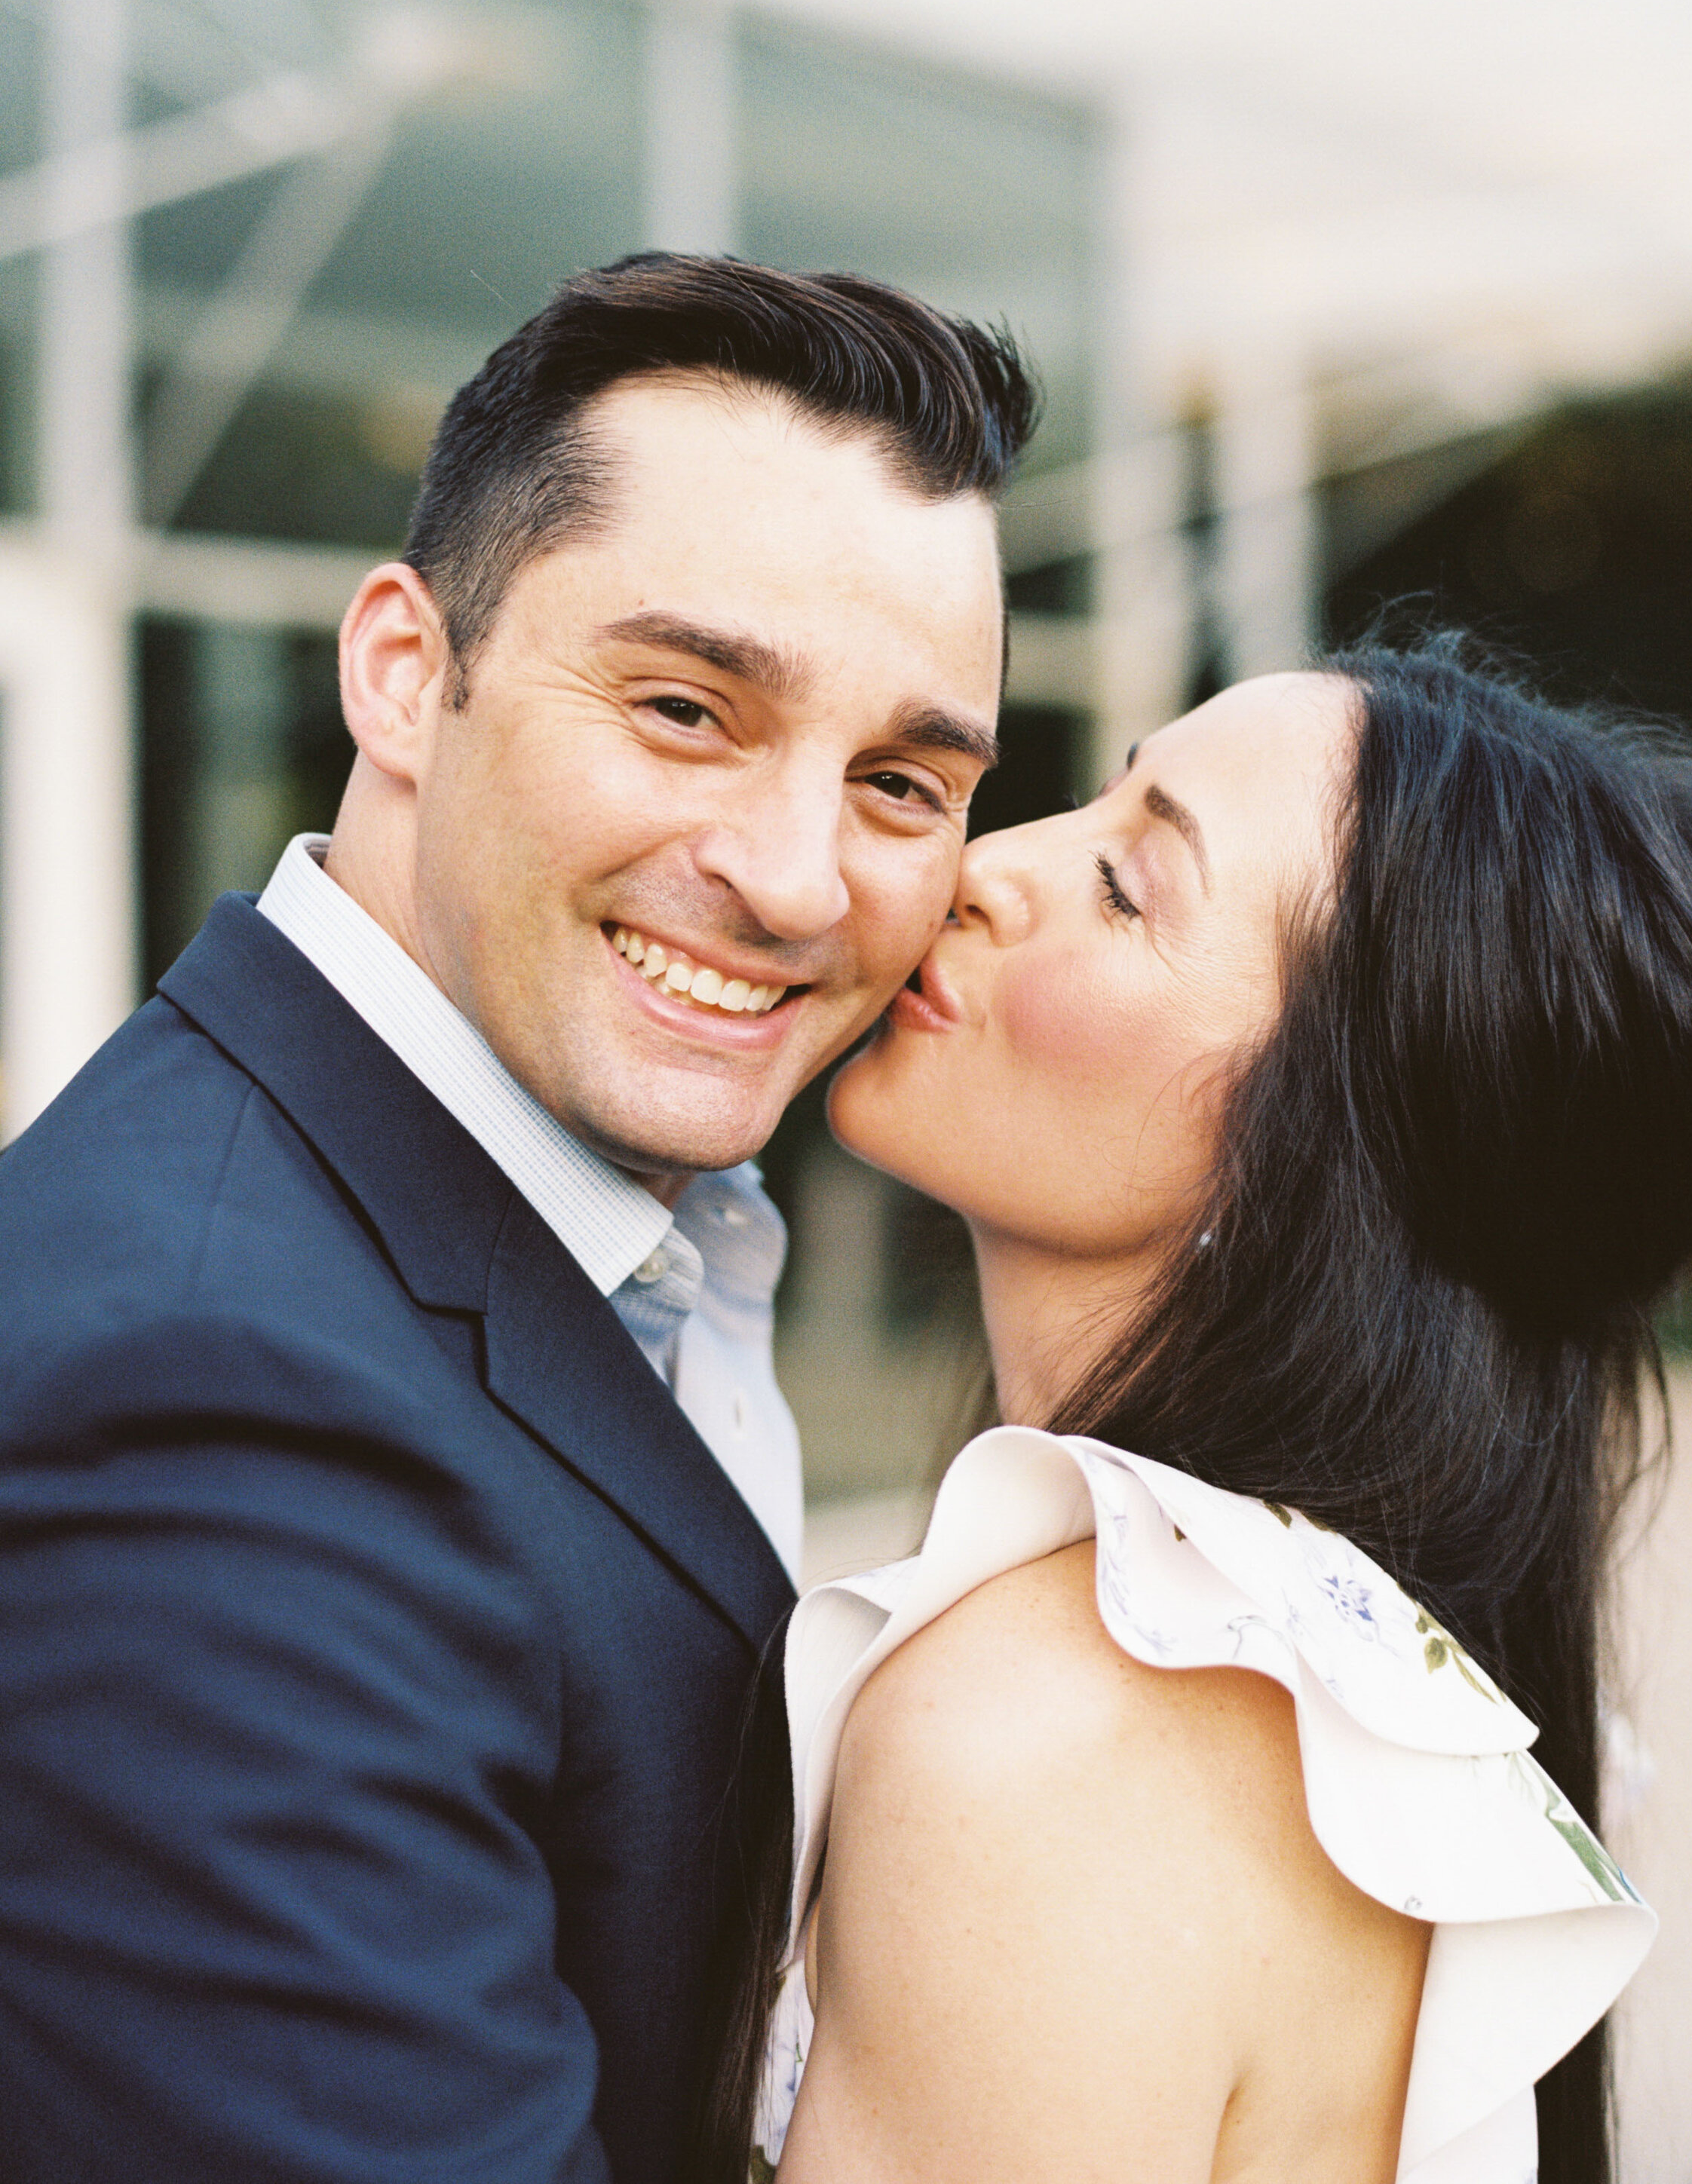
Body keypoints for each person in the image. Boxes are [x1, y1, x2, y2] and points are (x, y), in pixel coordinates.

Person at [0, 254, 1029, 2183]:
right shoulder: (212, 1393)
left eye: (902, 780)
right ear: (406, 669)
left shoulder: (614, 1226)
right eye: (683, 705)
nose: (800, 879)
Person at [720, 644, 1692, 2184]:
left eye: (1127, 881)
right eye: (1095, 794)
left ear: (1326, 1155)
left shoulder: (1042, 1747)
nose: (982, 865)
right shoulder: (1386, 1701)